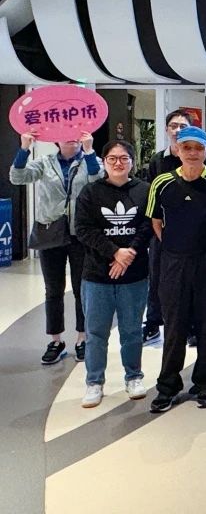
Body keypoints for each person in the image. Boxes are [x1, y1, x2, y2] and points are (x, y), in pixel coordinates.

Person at [145, 127, 206, 413]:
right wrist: (174, 246)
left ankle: (205, 384)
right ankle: (168, 387)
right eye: (187, 147)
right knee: (174, 326)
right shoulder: (162, 183)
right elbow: (156, 222)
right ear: (178, 150)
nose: (193, 153)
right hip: (173, 263)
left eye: (198, 148)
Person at [72, 140, 152, 407]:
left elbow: (148, 226)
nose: (118, 163)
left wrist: (129, 253)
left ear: (132, 161)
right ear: (104, 162)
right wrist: (115, 252)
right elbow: (83, 229)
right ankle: (94, 382)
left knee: (132, 330)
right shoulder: (90, 192)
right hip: (97, 274)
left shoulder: (144, 190)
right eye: (112, 158)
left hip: (134, 274)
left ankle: (134, 376)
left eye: (124, 158)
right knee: (96, 332)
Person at [10, 130, 101, 364]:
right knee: (53, 289)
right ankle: (56, 340)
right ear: (55, 138)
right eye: (66, 133)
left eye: (75, 133)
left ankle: (82, 338)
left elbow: (99, 182)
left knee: (82, 288)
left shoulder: (90, 159)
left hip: (81, 233)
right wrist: (24, 149)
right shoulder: (45, 162)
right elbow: (17, 177)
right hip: (50, 231)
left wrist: (90, 152)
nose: (71, 137)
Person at [143, 109, 206, 345]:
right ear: (166, 130)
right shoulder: (157, 160)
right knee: (157, 277)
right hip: (163, 233)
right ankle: (153, 323)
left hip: (194, 236)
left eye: (183, 126)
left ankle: (191, 327)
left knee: (192, 282)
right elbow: (151, 198)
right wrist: (161, 235)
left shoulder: (204, 160)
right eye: (174, 126)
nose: (178, 130)